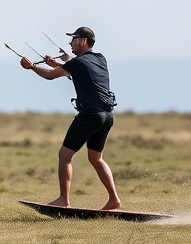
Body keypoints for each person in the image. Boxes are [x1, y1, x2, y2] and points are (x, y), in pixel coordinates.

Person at [20, 26, 120, 210]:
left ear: (83, 41)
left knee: (64, 156)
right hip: (107, 116)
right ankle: (114, 199)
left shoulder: (77, 63)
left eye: (73, 39)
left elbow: (51, 76)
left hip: (89, 115)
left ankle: (63, 200)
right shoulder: (100, 59)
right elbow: (76, 66)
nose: (70, 43)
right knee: (96, 158)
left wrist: (32, 66)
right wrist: (60, 63)